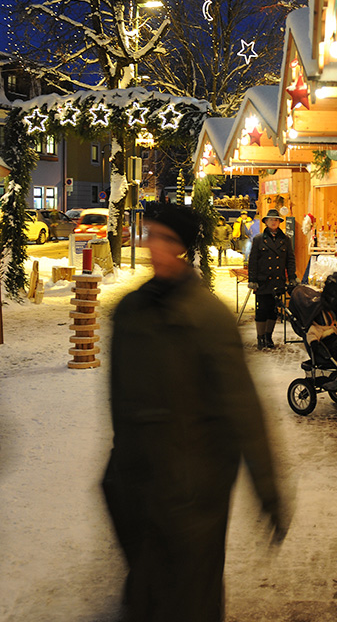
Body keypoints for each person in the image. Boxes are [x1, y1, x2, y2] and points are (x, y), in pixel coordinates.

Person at [102, 202, 286, 622]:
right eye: (151, 235)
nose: (154, 247)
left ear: (183, 247)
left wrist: (268, 489)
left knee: (193, 597)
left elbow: (243, 405)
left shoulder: (209, 316)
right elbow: (118, 399)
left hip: (195, 488)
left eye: (166, 239)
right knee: (145, 591)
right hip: (140, 482)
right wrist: (117, 473)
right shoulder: (131, 311)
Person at [247, 208, 297, 350]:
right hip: (262, 281)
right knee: (261, 310)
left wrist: (292, 277)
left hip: (277, 281)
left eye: (276, 220)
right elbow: (253, 261)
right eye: (271, 220)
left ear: (279, 222)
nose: (273, 222)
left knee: (273, 311)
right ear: (266, 222)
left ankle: (268, 337)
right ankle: (260, 337)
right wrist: (253, 279)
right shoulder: (258, 239)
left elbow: (290, 260)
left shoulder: (285, 240)